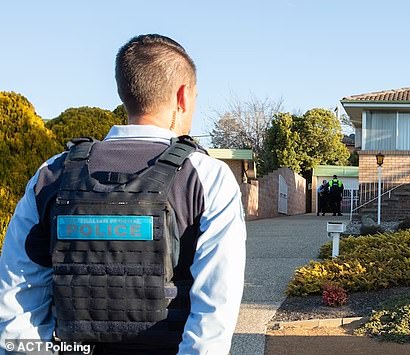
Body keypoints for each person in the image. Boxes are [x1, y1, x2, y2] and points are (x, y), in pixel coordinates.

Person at [0, 34, 246, 355]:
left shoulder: (50, 175)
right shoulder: (207, 178)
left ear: (124, 91)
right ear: (183, 96)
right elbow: (215, 310)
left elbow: (17, 296)